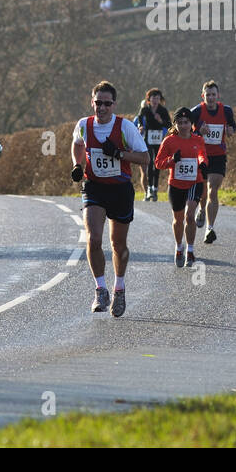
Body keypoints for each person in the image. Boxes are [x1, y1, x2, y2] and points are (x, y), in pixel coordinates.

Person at [71, 81, 151, 316]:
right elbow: (77, 145)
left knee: (117, 244)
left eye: (107, 103)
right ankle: (100, 289)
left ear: (114, 104)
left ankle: (119, 288)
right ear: (92, 102)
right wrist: (77, 164)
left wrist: (119, 153)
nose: (102, 107)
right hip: (94, 187)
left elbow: (145, 158)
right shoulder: (83, 125)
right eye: (98, 103)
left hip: (119, 189)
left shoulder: (125, 127)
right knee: (94, 238)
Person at [154, 107, 208, 267]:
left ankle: (190, 250)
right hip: (176, 185)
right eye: (180, 123)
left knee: (189, 216)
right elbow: (158, 163)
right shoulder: (169, 141)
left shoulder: (198, 140)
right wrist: (172, 160)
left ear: (192, 124)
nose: (183, 126)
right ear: (175, 124)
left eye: (186, 122)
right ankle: (179, 247)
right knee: (178, 220)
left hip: (194, 183)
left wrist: (203, 163)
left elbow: (202, 154)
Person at [189, 80, 236, 244]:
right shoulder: (196, 111)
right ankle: (201, 209)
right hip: (201, 156)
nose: (210, 97)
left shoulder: (226, 111)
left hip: (218, 156)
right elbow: (182, 128)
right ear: (203, 96)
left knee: (213, 190)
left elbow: (232, 127)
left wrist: (231, 130)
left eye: (213, 95)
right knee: (202, 192)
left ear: (218, 96)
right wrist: (196, 131)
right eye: (207, 95)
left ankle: (210, 228)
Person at [134, 88, 171, 201]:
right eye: (153, 98)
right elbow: (139, 119)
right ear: (149, 99)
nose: (155, 100)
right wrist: (140, 126)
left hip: (159, 138)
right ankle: (149, 188)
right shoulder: (145, 109)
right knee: (149, 161)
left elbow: (169, 124)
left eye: (157, 98)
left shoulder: (163, 111)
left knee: (157, 163)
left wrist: (160, 121)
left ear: (160, 100)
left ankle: (155, 188)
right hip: (148, 138)